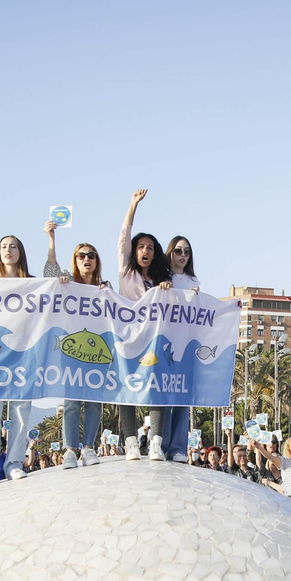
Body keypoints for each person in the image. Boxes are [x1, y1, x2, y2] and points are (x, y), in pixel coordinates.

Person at [0, 234, 47, 483]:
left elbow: (52, 281)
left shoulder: (31, 282)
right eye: (3, 246)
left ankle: (14, 463)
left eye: (13, 246)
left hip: (23, 353)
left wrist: (50, 240)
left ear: (21, 251)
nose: (8, 250)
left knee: (20, 411)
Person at [114, 189, 171, 458]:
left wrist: (165, 289)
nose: (145, 251)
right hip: (127, 339)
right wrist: (133, 204)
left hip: (153, 341)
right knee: (127, 389)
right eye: (140, 247)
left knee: (156, 387)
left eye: (150, 247)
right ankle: (131, 442)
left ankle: (156, 441)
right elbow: (124, 236)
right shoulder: (126, 273)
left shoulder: (162, 281)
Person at [45, 232, 109, 469]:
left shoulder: (105, 286)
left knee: (94, 400)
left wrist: (106, 293)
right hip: (71, 354)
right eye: (81, 255)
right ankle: (70, 450)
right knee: (72, 401)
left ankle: (89, 448)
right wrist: (51, 239)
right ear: (75, 260)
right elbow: (49, 274)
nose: (86, 259)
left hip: (96, 354)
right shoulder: (67, 282)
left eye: (91, 255)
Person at [159, 234, 199, 462]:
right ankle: (161, 444)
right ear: (170, 253)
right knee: (165, 396)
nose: (183, 256)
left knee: (183, 398)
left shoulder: (194, 282)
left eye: (187, 252)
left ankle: (178, 448)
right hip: (166, 343)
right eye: (178, 251)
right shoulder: (162, 278)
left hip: (187, 345)